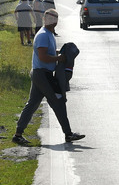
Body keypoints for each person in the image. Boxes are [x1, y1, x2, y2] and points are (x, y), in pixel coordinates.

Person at [11, 10, 85, 146]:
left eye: (54, 18)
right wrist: (59, 58)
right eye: (49, 18)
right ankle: (68, 134)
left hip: (41, 73)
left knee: (32, 104)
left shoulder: (49, 34)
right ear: (44, 19)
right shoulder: (43, 35)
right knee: (58, 100)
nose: (52, 20)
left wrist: (61, 52)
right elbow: (43, 57)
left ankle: (18, 134)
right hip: (42, 74)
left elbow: (48, 52)